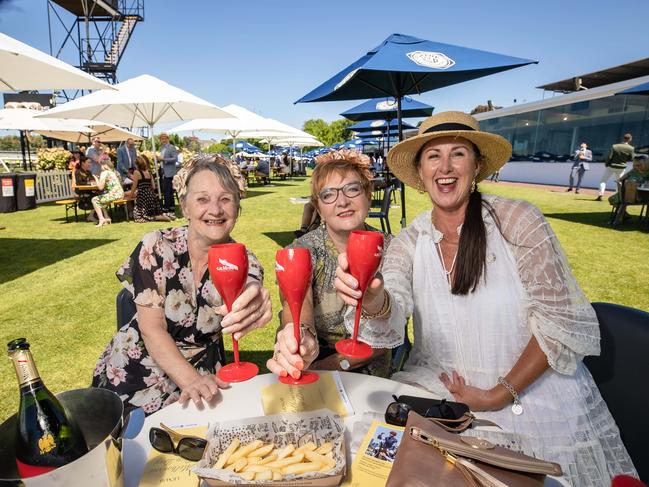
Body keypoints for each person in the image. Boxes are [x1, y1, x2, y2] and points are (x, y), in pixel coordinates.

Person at [334, 111, 637, 485]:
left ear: (476, 165)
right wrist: (375, 296)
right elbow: (391, 312)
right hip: (443, 398)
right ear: (421, 171)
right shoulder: (411, 240)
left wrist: (497, 395)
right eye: (433, 156)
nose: (445, 166)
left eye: (457, 153)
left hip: (533, 397)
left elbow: (557, 322)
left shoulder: (518, 220)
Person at [92, 154, 272, 416]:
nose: (215, 210)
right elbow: (152, 329)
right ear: (185, 207)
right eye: (202, 199)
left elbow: (251, 287)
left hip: (206, 376)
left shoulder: (245, 260)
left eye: (225, 199)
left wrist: (254, 299)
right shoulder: (155, 245)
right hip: (138, 371)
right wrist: (192, 381)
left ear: (237, 208)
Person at [267, 149, 400, 381]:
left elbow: (393, 326)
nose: (342, 201)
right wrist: (301, 337)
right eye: (328, 194)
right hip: (311, 364)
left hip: (373, 376)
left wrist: (332, 366)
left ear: (368, 195)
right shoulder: (300, 252)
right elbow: (296, 310)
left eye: (352, 189)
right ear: (318, 207)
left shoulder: (393, 250)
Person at [128, 155, 172, 223]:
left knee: (138, 217)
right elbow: (154, 186)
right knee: (150, 213)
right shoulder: (149, 172)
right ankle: (163, 216)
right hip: (151, 195)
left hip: (142, 196)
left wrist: (130, 196)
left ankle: (157, 217)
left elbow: (134, 187)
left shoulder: (136, 172)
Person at [609, 153, 649, 226]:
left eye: (639, 165)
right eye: (635, 165)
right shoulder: (633, 171)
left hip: (640, 195)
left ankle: (620, 217)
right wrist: (619, 180)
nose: (637, 167)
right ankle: (623, 215)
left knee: (622, 202)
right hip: (626, 193)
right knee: (615, 199)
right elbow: (624, 177)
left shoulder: (647, 173)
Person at [597, 133, 634, 201]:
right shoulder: (631, 148)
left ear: (624, 138)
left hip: (611, 166)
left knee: (603, 181)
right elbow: (632, 158)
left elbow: (609, 157)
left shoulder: (615, 146)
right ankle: (618, 197)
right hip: (622, 167)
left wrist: (606, 164)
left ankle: (600, 195)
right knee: (619, 183)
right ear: (630, 139)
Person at [91, 155, 124, 227]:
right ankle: (107, 218)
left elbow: (100, 187)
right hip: (120, 194)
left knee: (94, 200)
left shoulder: (104, 173)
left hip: (114, 195)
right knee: (102, 200)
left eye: (100, 165)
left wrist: (96, 178)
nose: (100, 167)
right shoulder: (112, 172)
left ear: (104, 165)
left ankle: (101, 219)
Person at [159, 132, 179, 212]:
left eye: (164, 138)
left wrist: (163, 159)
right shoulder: (162, 148)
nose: (163, 140)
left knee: (167, 190)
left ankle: (167, 207)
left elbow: (175, 159)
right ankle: (171, 206)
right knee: (168, 190)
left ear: (168, 139)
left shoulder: (171, 147)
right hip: (164, 171)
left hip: (170, 172)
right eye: (162, 138)